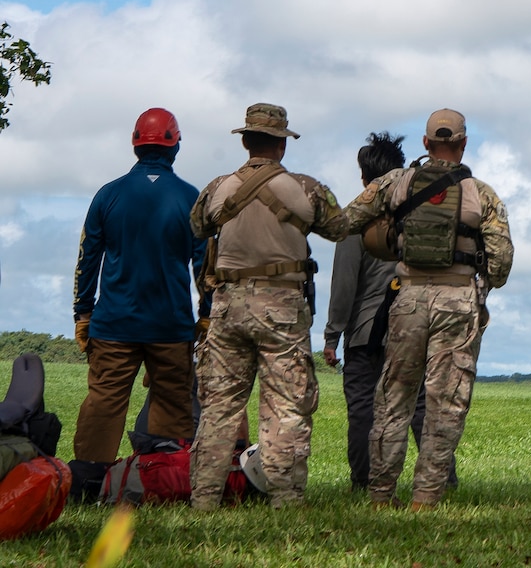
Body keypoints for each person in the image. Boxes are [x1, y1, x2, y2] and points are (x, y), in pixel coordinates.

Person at [343, 108, 513, 509]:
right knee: (445, 403)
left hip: (408, 297)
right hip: (458, 300)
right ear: (463, 143)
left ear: (424, 143)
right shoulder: (482, 193)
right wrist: (479, 282)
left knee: (393, 398)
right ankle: (426, 496)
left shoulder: (395, 182)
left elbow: (346, 221)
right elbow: (502, 263)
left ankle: (381, 494)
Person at [189, 103, 347, 510]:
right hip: (281, 308)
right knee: (286, 404)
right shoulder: (307, 189)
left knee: (220, 405)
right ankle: (284, 498)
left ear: (244, 141)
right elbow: (340, 227)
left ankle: (204, 497)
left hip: (227, 306)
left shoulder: (217, 188)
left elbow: (196, 226)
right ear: (282, 144)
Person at [67, 108, 206, 500]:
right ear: (175, 145)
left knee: (104, 402)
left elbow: (87, 258)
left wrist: (83, 313)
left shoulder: (108, 195)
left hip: (113, 324)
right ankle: (159, 479)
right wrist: (207, 315)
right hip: (171, 325)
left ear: (135, 144)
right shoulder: (190, 198)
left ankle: (89, 483)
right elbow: (204, 266)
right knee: (172, 401)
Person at [322, 132, 454, 493]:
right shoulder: (422, 211)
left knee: (364, 409)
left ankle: (364, 481)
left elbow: (344, 285)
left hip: (365, 332)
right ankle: (442, 480)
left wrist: (332, 335)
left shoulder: (356, 217)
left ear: (366, 178)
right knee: (422, 407)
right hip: (416, 323)